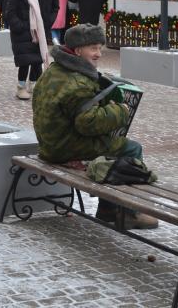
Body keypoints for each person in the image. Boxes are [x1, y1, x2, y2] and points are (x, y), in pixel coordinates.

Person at [32, 23, 158, 230]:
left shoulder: (55, 70)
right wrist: (121, 110)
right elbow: (87, 124)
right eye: (93, 48)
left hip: (50, 143)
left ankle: (109, 208)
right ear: (77, 50)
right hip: (63, 147)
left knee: (114, 145)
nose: (99, 53)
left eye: (100, 48)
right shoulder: (78, 82)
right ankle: (127, 212)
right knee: (131, 148)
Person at [6, 0, 49, 100]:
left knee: (36, 61)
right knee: (25, 62)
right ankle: (21, 88)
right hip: (22, 34)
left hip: (34, 34)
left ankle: (34, 85)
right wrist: (22, 26)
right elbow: (10, 14)